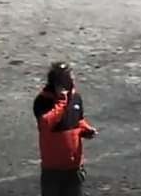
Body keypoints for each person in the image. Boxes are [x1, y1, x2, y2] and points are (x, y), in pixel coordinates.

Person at [33, 61, 98, 196]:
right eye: (67, 76)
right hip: (53, 170)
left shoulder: (76, 98)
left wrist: (86, 129)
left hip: (73, 168)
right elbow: (46, 124)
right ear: (57, 81)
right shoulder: (43, 101)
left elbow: (78, 119)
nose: (72, 79)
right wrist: (61, 102)